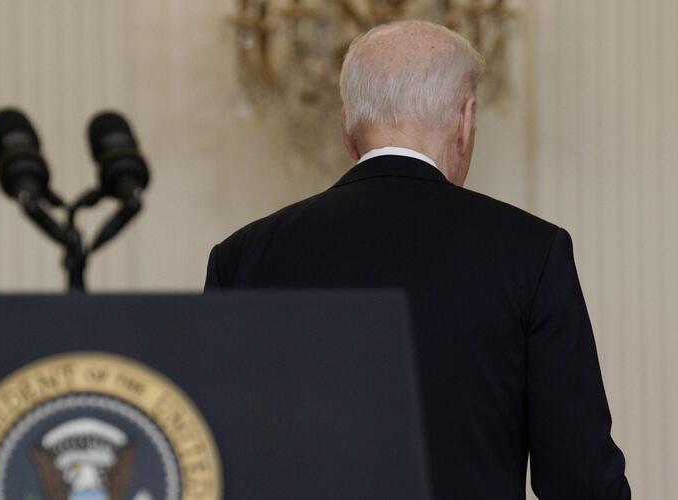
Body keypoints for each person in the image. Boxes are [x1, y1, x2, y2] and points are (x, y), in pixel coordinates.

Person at [205, 20, 630, 499]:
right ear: (465, 122)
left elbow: (215, 464)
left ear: (347, 128)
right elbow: (583, 483)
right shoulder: (532, 252)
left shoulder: (241, 258)